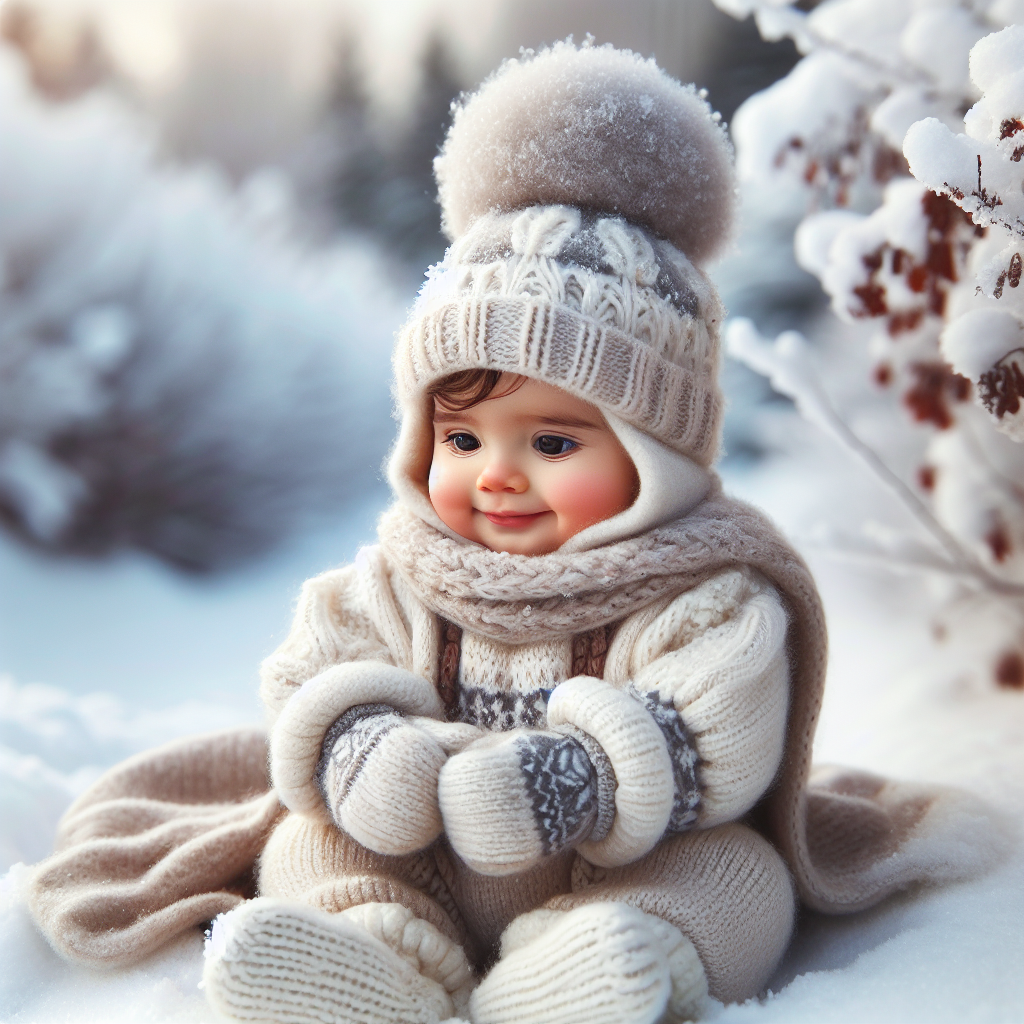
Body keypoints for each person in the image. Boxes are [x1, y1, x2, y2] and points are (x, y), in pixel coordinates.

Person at [27, 39, 1000, 1024]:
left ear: (651, 451)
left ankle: (612, 962)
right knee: (306, 843)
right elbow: (309, 679)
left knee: (738, 878)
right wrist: (360, 749)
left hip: (615, 867)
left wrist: (575, 780)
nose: (495, 472)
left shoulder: (705, 589)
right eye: (460, 435)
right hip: (432, 866)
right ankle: (377, 953)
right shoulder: (398, 578)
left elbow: (723, 724)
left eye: (549, 438)